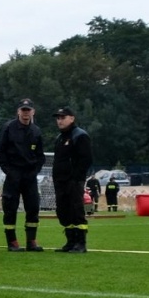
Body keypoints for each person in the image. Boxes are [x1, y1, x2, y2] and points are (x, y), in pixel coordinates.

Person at [0, 99, 46, 252]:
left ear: (33, 112)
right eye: (23, 110)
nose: (25, 113)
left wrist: (35, 171)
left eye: (28, 110)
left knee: (33, 208)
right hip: (13, 175)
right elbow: (0, 153)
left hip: (30, 176)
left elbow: (40, 156)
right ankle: (12, 242)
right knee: (10, 208)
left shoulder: (36, 131)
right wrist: (9, 172)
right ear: (18, 111)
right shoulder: (8, 128)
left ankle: (31, 241)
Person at [51, 107, 94, 253]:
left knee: (76, 210)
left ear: (72, 118)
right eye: (58, 118)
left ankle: (81, 243)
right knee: (63, 211)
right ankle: (70, 242)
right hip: (60, 181)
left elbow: (86, 159)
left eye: (63, 117)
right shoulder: (59, 138)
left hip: (73, 181)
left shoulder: (80, 135)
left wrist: (76, 177)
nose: (60, 120)